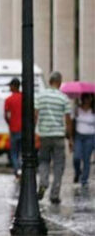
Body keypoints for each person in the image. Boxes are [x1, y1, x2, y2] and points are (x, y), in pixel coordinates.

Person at [35, 71, 72, 204]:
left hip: (44, 135)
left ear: (50, 81)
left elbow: (35, 114)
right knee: (58, 165)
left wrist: (35, 131)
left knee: (44, 160)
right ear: (59, 82)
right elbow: (68, 119)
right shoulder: (63, 98)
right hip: (58, 136)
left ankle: (43, 183)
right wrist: (70, 138)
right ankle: (55, 194)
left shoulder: (40, 96)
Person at [72, 93, 94, 187]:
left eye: (88, 98)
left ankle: (84, 180)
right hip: (79, 136)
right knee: (76, 157)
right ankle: (78, 172)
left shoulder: (93, 110)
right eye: (85, 98)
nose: (87, 100)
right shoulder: (77, 109)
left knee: (86, 159)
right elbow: (72, 121)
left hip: (90, 136)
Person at [4, 78, 23, 179]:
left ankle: (17, 171)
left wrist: (9, 123)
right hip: (24, 129)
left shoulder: (8, 100)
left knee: (14, 153)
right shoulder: (24, 97)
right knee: (22, 152)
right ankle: (21, 169)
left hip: (14, 129)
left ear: (13, 86)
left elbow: (6, 115)